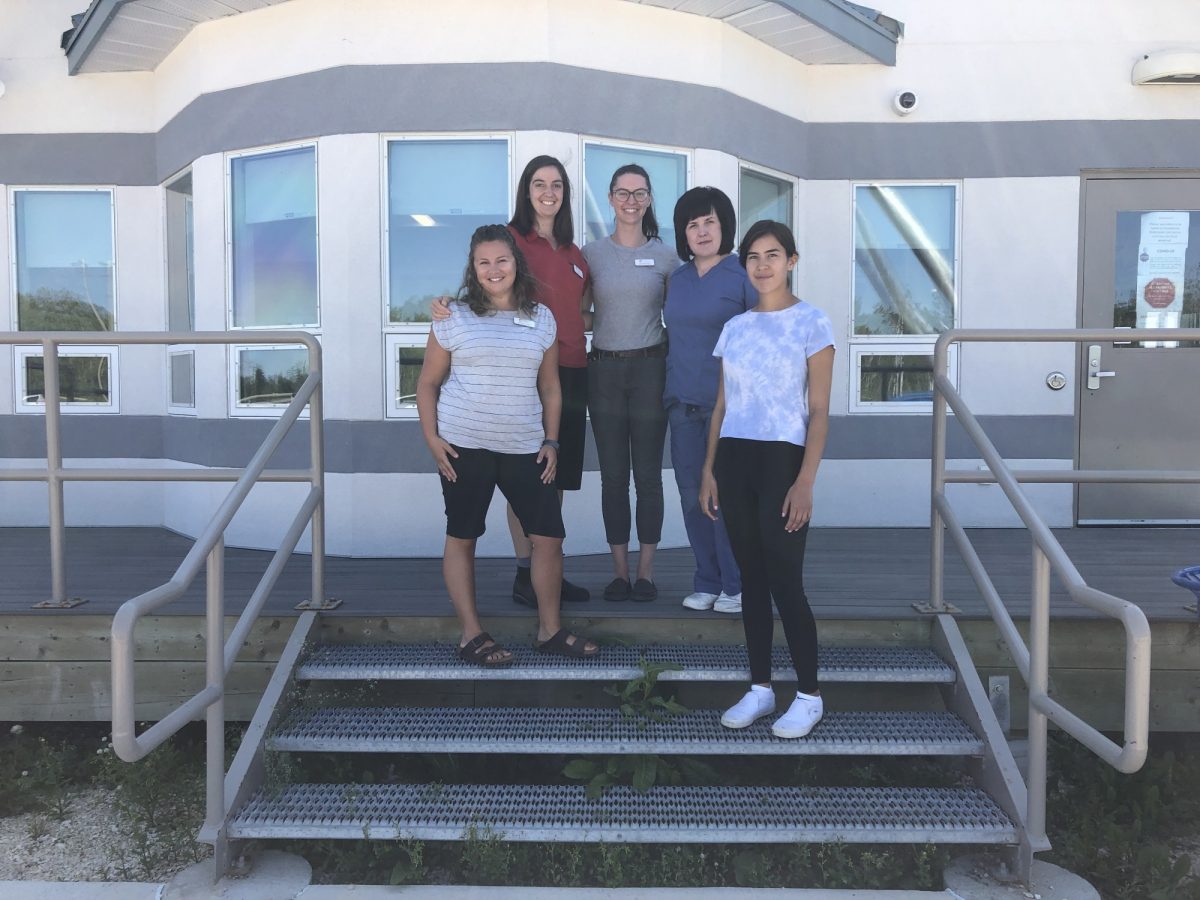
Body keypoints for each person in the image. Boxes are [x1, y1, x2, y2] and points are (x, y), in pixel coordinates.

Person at [416, 224, 598, 667]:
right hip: (464, 448)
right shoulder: (452, 316)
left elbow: (551, 388)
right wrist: (432, 439)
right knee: (462, 538)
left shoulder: (542, 318)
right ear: (473, 268)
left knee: (549, 538)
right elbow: (427, 384)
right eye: (484, 262)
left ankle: (549, 630)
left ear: (517, 263)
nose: (494, 269)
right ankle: (472, 635)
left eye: (502, 260)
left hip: (525, 447)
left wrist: (553, 440)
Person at [433, 156, 591, 610]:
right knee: (520, 472)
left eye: (557, 184)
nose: (548, 192)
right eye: (539, 184)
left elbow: (582, 307)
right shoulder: (511, 241)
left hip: (570, 371)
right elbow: (484, 284)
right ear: (526, 191)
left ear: (565, 194)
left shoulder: (574, 252)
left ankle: (548, 573)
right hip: (521, 371)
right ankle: (526, 574)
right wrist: (444, 303)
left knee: (550, 474)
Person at [699, 219, 834, 738]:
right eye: (753, 256)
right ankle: (760, 687)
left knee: (785, 579)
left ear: (792, 261)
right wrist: (709, 472)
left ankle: (808, 694)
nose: (762, 265)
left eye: (773, 255)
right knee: (750, 581)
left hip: (783, 461)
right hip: (735, 459)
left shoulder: (811, 323)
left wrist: (805, 482)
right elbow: (721, 406)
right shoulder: (734, 328)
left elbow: (818, 411)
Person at [580, 164, 679, 603]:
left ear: (650, 199)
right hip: (602, 371)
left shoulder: (666, 256)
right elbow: (577, 311)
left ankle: (646, 573)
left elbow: (681, 317)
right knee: (613, 478)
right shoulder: (591, 254)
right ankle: (619, 572)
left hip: (649, 371)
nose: (631, 201)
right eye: (623, 193)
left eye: (640, 193)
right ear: (610, 198)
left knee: (649, 477)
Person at [664, 186, 756, 614]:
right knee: (690, 495)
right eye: (692, 224)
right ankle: (707, 580)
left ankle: (736, 586)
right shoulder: (676, 280)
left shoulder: (743, 275)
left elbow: (763, 337)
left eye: (710, 222)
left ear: (724, 227)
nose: (701, 232)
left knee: (724, 497)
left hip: (731, 410)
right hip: (683, 408)